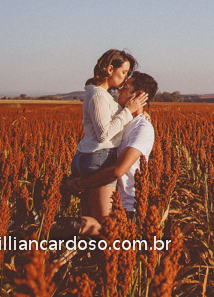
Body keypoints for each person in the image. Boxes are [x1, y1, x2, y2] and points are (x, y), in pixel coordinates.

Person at [65, 71, 158, 236]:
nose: (119, 90)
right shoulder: (122, 120)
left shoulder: (142, 128)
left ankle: (47, 227)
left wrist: (82, 184)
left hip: (126, 206)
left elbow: (117, 171)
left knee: (101, 229)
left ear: (137, 95)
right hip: (106, 194)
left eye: (125, 87)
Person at [71, 50, 148, 221]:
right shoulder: (98, 95)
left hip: (91, 156)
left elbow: (115, 119)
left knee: (90, 218)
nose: (125, 78)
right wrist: (128, 111)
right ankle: (47, 226)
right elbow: (104, 134)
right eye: (124, 72)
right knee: (105, 224)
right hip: (99, 158)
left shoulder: (103, 96)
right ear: (110, 69)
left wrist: (138, 113)